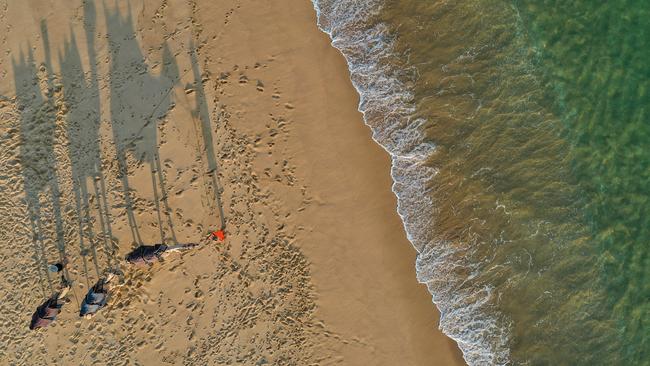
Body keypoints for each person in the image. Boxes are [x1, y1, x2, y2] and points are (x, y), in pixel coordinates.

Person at [125, 243, 198, 266]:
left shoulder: (136, 262)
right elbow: (142, 248)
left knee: (168, 250)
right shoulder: (133, 255)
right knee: (169, 249)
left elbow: (146, 262)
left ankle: (184, 247)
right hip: (150, 252)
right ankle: (187, 246)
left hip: (152, 256)